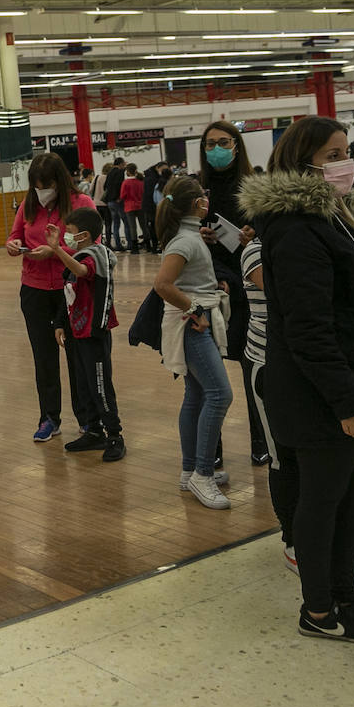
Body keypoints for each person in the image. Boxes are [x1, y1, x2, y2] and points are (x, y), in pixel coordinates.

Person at [239, 115, 354, 644]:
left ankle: (347, 596)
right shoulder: (294, 228)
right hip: (324, 394)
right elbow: (308, 331)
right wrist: (348, 401)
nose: (345, 163)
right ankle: (319, 609)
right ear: (302, 163)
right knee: (323, 501)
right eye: (332, 154)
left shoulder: (333, 218)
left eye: (345, 152)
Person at [153, 177, 233, 509]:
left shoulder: (188, 237)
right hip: (193, 326)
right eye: (203, 196)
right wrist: (196, 308)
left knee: (197, 393)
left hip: (195, 321)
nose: (207, 200)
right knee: (219, 394)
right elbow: (163, 284)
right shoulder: (183, 242)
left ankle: (190, 470)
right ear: (195, 204)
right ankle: (202, 472)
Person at [5, 153, 95, 441]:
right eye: (37, 185)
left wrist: (56, 251)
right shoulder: (29, 204)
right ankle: (49, 418)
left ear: (60, 181)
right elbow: (14, 235)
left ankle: (87, 417)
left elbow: (93, 246)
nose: (42, 190)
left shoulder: (82, 204)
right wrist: (13, 244)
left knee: (77, 357)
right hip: (34, 290)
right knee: (44, 358)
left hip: (71, 290)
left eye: (47, 184)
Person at [197, 119, 268, 468]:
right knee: (208, 378)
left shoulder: (253, 188)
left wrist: (250, 239)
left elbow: (268, 237)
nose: (216, 150)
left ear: (237, 145)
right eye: (209, 144)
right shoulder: (198, 190)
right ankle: (213, 449)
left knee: (250, 368)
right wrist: (200, 236)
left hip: (244, 290)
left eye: (222, 142)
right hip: (206, 290)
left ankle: (260, 440)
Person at [49, 207, 125, 461]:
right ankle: (93, 431)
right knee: (83, 384)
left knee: (100, 386)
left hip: (94, 333)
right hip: (76, 332)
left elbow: (83, 271)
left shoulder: (97, 255)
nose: (66, 237)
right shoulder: (79, 255)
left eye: (69, 233)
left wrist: (57, 250)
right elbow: (68, 290)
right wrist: (60, 323)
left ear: (83, 235)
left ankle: (114, 435)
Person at [102, 157, 127, 251]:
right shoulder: (120, 172)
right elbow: (119, 185)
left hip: (109, 202)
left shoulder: (109, 173)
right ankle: (130, 244)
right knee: (126, 222)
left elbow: (105, 187)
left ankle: (118, 245)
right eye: (124, 164)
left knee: (115, 224)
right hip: (117, 201)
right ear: (121, 164)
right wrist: (119, 197)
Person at [120, 164, 143, 253]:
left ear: (127, 172)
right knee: (144, 226)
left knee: (132, 227)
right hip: (140, 205)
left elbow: (122, 196)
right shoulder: (140, 182)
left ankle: (135, 248)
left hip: (129, 206)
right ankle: (149, 245)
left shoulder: (125, 183)